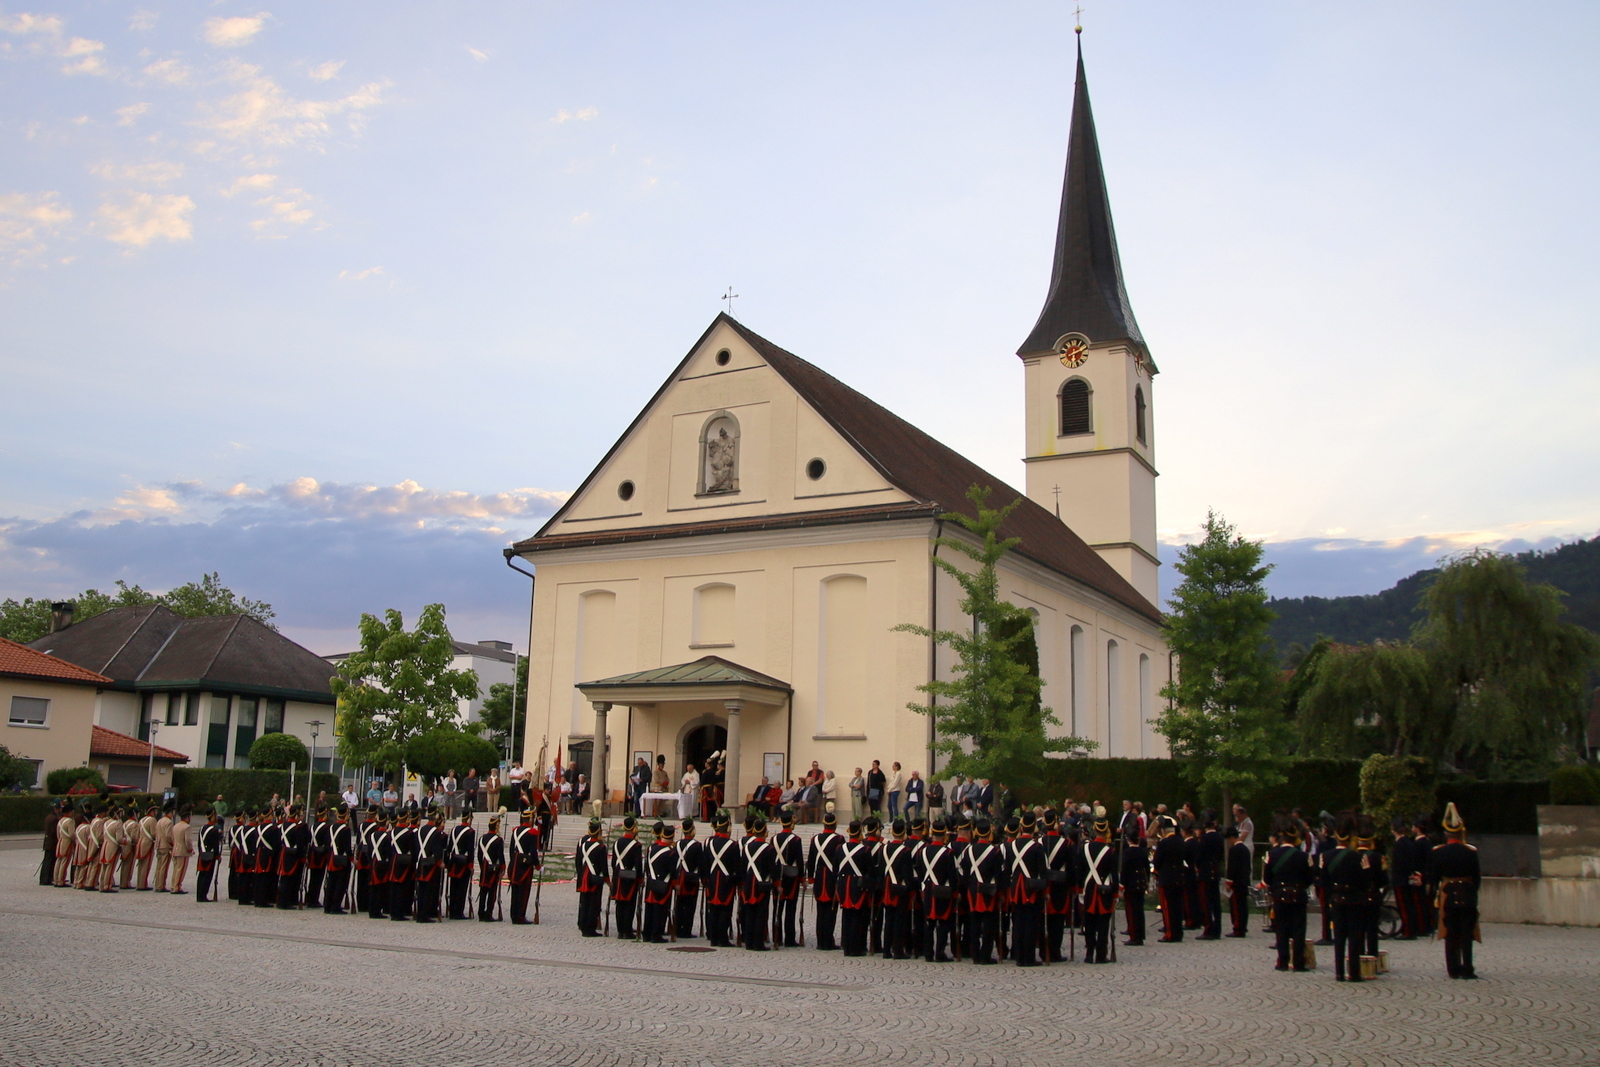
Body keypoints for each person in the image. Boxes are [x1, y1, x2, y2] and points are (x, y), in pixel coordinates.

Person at [1432, 802, 1481, 978]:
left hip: (1448, 893)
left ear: (1446, 833)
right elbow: (1477, 877)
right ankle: (1467, 968)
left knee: (1450, 932)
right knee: (1467, 933)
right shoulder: (1470, 852)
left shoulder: (1439, 852)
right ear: (1461, 832)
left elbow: (1435, 876)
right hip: (1467, 893)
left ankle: (1453, 969)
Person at [1264, 814, 1313, 972]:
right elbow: (1310, 879)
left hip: (1279, 894)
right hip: (1298, 894)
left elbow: (1267, 878)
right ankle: (1298, 962)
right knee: (1298, 929)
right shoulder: (1304, 856)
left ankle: (1282, 961)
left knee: (1281, 928)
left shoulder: (1272, 855)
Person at [1079, 807, 1119, 964]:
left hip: (1089, 887)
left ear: (1094, 830)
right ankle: (1101, 954)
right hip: (1105, 889)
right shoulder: (1111, 851)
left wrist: (1080, 888)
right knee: (1103, 923)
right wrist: (1115, 893)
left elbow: (1081, 870)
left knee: (1089, 922)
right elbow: (1114, 874)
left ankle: (1089, 953)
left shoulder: (1085, 848)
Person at [703, 811, 743, 947]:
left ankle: (713, 938)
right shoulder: (733, 845)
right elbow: (737, 866)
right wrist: (737, 880)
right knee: (725, 911)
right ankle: (722, 939)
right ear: (728, 828)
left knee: (713, 910)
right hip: (727, 881)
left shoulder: (710, 843)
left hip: (713, 880)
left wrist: (707, 879)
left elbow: (706, 864)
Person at [809, 809, 844, 950]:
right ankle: (828, 940)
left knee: (821, 911)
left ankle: (820, 940)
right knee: (830, 911)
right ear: (835, 825)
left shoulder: (815, 839)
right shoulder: (839, 839)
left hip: (819, 877)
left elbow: (811, 860)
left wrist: (810, 877)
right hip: (831, 878)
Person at [773, 810, 805, 947]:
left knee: (777, 909)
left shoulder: (774, 839)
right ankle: (789, 938)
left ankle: (777, 937)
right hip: (791, 877)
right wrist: (802, 878)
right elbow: (800, 861)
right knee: (790, 910)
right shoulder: (796, 840)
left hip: (778, 876)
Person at [574, 817, 610, 936]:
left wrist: (580, 874)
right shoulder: (601, 847)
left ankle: (583, 924)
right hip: (594, 877)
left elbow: (578, 861)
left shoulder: (583, 845)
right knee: (593, 903)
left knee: (584, 902)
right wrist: (607, 880)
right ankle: (590, 927)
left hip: (584, 876)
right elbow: (604, 866)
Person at [507, 808, 542, 925]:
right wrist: (538, 866)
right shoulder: (532, 832)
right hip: (525, 866)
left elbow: (511, 849)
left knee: (515, 891)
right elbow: (533, 852)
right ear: (530, 819)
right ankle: (520, 916)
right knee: (523, 892)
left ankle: (514, 915)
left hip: (514, 864)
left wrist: (513, 861)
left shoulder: (515, 831)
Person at [674, 817, 705, 939]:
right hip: (691, 878)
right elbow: (700, 864)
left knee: (679, 905)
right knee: (689, 906)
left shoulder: (677, 844)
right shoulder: (697, 845)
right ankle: (686, 930)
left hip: (679, 877)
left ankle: (677, 928)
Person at [446, 811, 476, 920]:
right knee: (461, 889)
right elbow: (470, 850)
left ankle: (452, 910)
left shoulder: (454, 829)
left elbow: (449, 847)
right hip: (463, 863)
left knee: (453, 887)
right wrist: (471, 865)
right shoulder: (470, 832)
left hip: (453, 861)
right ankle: (458, 911)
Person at [324, 806, 354, 915]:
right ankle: (335, 906)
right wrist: (352, 859)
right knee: (340, 884)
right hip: (341, 859)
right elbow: (347, 847)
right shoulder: (346, 829)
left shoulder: (331, 827)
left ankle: (327, 905)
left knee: (331, 883)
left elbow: (328, 843)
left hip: (331, 857)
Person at [477, 815, 505, 921]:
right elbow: (500, 856)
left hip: (484, 867)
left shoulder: (482, 839)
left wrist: (482, 866)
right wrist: (502, 868)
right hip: (493, 868)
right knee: (492, 891)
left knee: (483, 890)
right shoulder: (498, 840)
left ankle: (481, 912)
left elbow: (479, 855)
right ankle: (488, 913)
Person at [1225, 825, 1252, 937]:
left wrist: (1229, 882)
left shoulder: (1234, 850)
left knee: (1236, 907)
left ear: (1231, 838)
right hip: (1244, 881)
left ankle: (1237, 928)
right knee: (1243, 906)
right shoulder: (1245, 849)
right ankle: (1243, 926)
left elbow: (1232, 868)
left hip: (1236, 882)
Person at [195, 810, 224, 902]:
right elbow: (215, 845)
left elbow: (199, 843)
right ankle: (203, 895)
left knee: (201, 875)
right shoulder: (214, 830)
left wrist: (201, 852)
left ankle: (199, 895)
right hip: (210, 855)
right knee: (207, 876)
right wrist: (218, 856)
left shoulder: (202, 828)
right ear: (212, 817)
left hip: (202, 853)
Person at [167, 806, 192, 894]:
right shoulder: (186, 827)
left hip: (175, 849)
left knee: (175, 870)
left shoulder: (175, 826)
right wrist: (190, 849)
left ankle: (173, 885)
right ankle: (177, 886)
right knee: (181, 870)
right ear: (187, 817)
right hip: (182, 851)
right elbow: (187, 840)